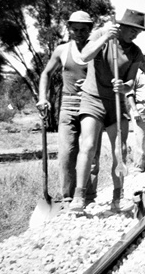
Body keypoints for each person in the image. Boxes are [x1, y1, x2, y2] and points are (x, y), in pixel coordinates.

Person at [72, 9, 145, 213]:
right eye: (132, 30)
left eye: (138, 31)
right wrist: (106, 37)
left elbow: (130, 84)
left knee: (120, 150)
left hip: (116, 104)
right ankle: (79, 197)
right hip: (93, 99)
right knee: (88, 145)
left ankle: (118, 197)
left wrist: (123, 86)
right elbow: (84, 56)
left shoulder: (135, 52)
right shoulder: (102, 35)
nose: (135, 34)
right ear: (121, 26)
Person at [36, 11, 101, 204]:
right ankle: (68, 197)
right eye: (75, 30)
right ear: (69, 29)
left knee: (91, 152)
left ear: (90, 30)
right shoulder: (62, 50)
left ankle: (87, 196)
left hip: (92, 104)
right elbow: (46, 74)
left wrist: (92, 84)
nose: (79, 33)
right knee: (66, 154)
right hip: (68, 104)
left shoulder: (97, 49)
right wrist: (42, 98)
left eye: (83, 30)